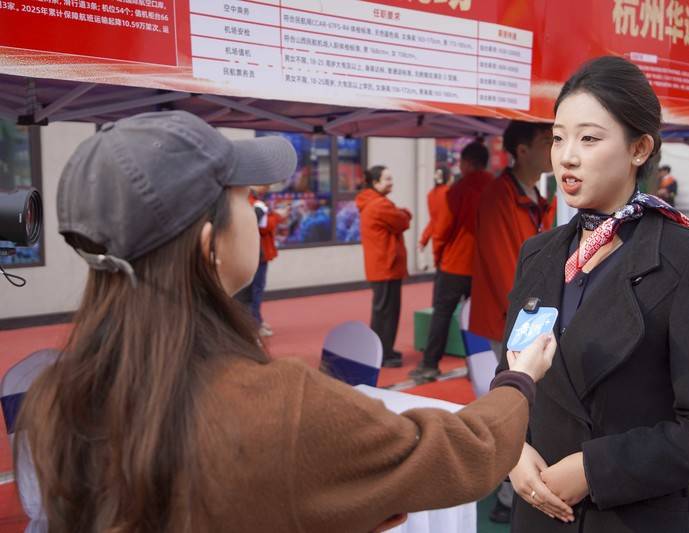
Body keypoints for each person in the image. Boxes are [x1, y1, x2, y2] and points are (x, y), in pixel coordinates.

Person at [17, 110, 561, 533]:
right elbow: (463, 452)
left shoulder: (53, 398)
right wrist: (518, 380)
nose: (257, 209)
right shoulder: (281, 406)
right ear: (209, 244)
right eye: (246, 197)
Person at [498, 56, 689, 533]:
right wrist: (511, 447)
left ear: (639, 148)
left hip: (632, 517)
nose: (566, 156)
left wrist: (594, 469)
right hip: (538, 511)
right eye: (558, 138)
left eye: (589, 139)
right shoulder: (539, 253)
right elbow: (511, 371)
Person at [470, 120, 554, 524]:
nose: (557, 148)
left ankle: (515, 486)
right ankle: (509, 493)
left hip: (529, 317)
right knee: (517, 402)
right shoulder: (498, 195)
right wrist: (529, 324)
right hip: (513, 321)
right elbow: (507, 271)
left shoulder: (535, 194)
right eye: (549, 140)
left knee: (529, 401)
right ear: (522, 150)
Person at [410, 141, 493, 381]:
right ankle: (478, 366)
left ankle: (429, 365)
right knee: (478, 319)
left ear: (467, 163)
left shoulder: (457, 191)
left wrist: (438, 258)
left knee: (442, 315)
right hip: (483, 267)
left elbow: (442, 230)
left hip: (454, 265)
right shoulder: (497, 188)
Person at [356, 165, 412, 368]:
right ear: (375, 182)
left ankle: (383, 350)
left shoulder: (372, 202)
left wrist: (401, 213)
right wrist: (403, 212)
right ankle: (383, 354)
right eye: (387, 179)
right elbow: (403, 220)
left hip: (381, 266)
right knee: (387, 314)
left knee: (383, 312)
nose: (391, 182)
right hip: (386, 266)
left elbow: (400, 218)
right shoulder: (380, 205)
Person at [235, 186, 289, 336]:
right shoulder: (254, 204)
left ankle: (256, 319)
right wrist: (277, 216)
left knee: (254, 290)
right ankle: (254, 324)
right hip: (255, 254)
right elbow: (263, 227)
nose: (267, 186)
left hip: (258, 253)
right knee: (253, 291)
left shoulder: (253, 201)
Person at [418, 165, 452, 270]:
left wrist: (424, 239)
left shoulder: (431, 195)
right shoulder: (450, 193)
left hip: (437, 241)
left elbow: (433, 220)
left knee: (440, 271)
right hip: (450, 242)